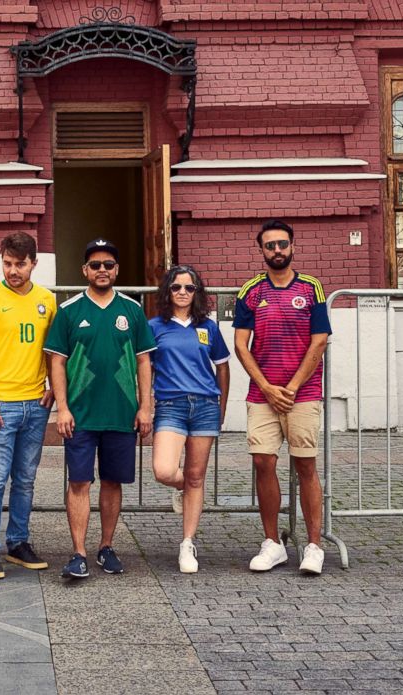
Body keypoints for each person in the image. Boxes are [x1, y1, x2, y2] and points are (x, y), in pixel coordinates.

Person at [43, 238, 156, 579]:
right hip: (81, 415)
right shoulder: (69, 310)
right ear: (84, 270)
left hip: (121, 412)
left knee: (112, 481)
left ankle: (106, 547)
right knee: (79, 481)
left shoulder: (132, 311)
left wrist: (145, 407)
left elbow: (144, 361)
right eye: (95, 265)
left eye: (108, 265)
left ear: (117, 270)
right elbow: (57, 362)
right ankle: (78, 553)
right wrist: (62, 408)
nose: (102, 270)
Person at [233, 220, 332, 575]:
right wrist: (268, 388)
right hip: (262, 395)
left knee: (305, 465)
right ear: (260, 249)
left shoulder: (311, 288)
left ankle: (314, 546)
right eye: (270, 245)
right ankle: (273, 543)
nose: (277, 250)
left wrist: (290, 388)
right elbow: (241, 345)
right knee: (263, 463)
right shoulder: (250, 291)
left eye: (283, 244)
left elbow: (319, 341)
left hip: (302, 394)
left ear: (292, 247)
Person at [0, 232, 56, 580]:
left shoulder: (47, 300)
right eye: (7, 263)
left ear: (34, 262)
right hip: (0, 404)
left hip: (36, 403)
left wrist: (52, 387)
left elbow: (54, 351)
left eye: (20, 264)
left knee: (25, 479)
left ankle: (18, 542)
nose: (13, 271)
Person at [149, 265, 230, 573]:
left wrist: (221, 405)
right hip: (171, 404)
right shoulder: (155, 326)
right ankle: (186, 488)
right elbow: (146, 368)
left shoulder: (208, 327)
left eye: (189, 287)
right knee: (164, 469)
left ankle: (187, 543)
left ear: (198, 293)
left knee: (196, 476)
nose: (183, 292)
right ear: (167, 292)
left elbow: (222, 367)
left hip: (205, 405)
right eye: (176, 287)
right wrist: (145, 405)